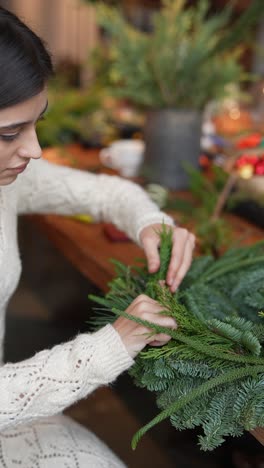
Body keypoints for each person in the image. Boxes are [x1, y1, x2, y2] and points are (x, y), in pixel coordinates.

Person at [0, 6, 195, 467]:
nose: (34, 150)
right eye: (10, 133)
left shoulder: (10, 179)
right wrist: (116, 341)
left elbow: (104, 194)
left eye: (36, 122)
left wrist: (153, 223)